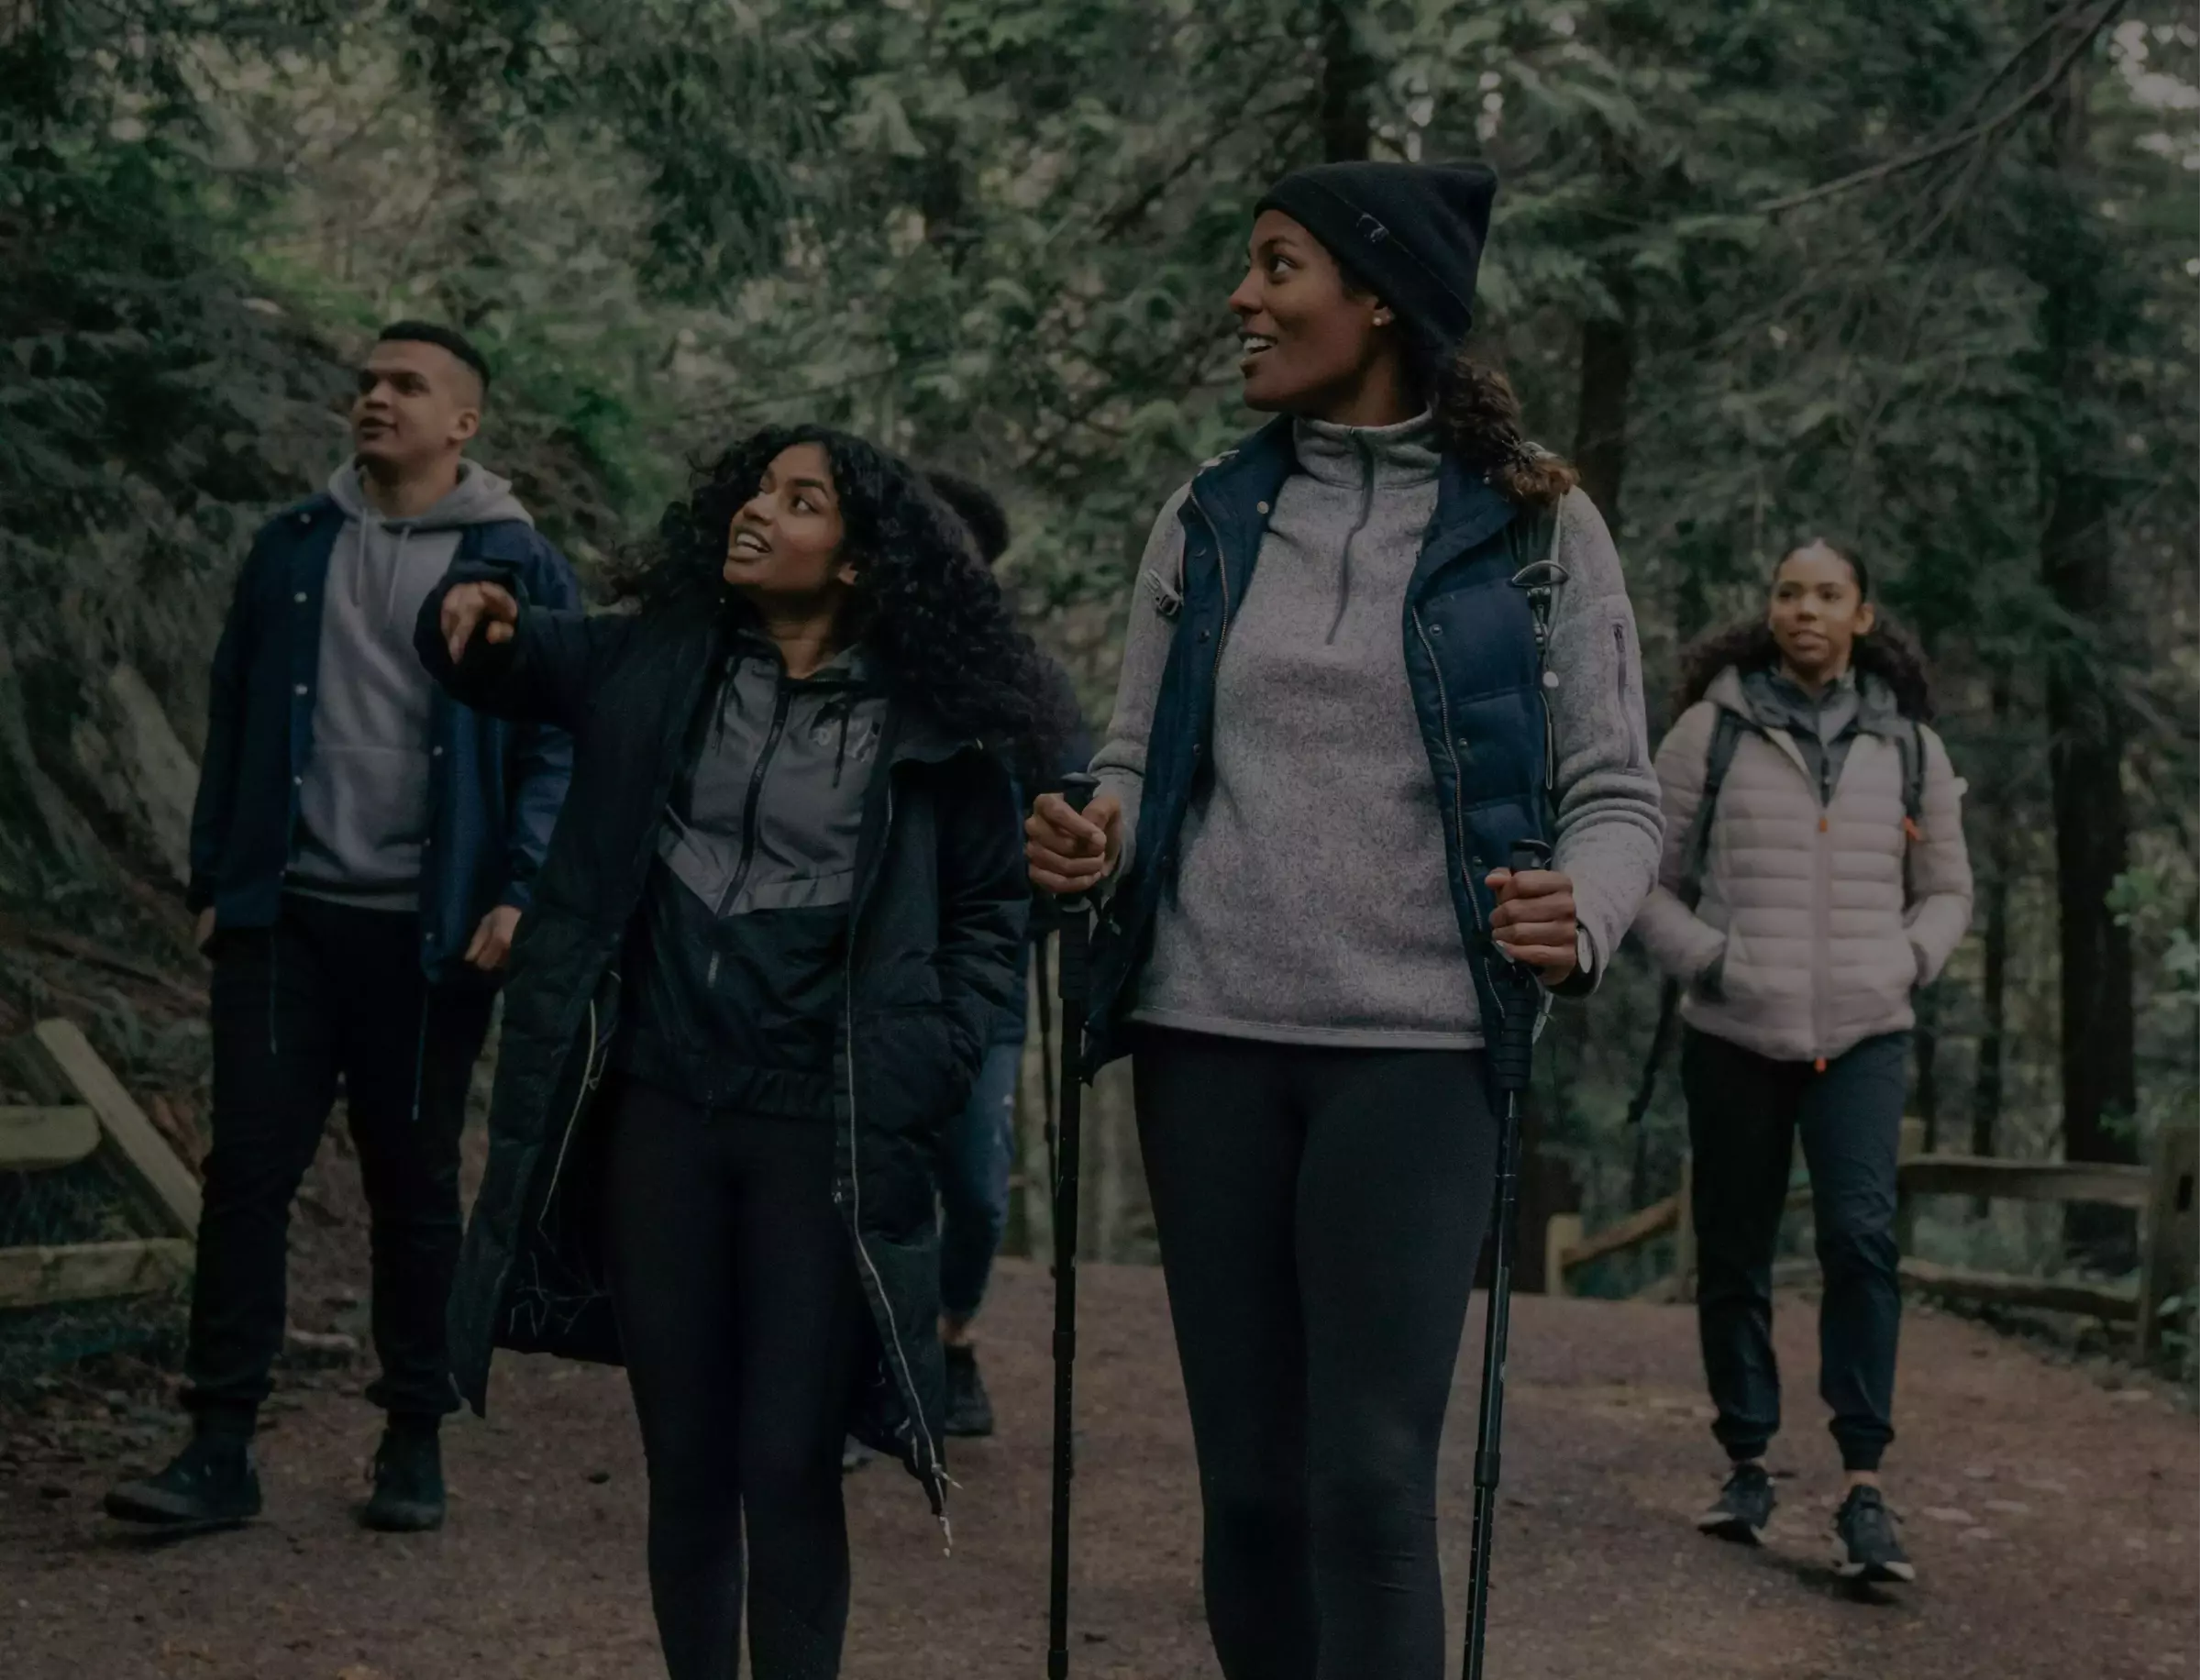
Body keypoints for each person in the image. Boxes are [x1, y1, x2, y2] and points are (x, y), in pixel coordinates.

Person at [1025, 161, 1662, 1679]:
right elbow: (1129, 752)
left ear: (1377, 297)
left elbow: (1618, 794)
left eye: (1275, 266)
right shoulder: (1210, 516)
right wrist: (1093, 829)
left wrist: (1582, 913)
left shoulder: (1533, 528)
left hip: (1415, 1051)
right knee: (1248, 1490)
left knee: (1366, 1484)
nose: (1240, 298)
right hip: (1204, 1037)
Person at [417, 426, 1056, 1680]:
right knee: (691, 1458)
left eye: (800, 500)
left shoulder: (941, 729)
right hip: (661, 1109)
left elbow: (993, 910)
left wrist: (932, 1045)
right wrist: (466, 606)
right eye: (755, 491)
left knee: (785, 1458)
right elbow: (502, 660)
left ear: (864, 564)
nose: (758, 512)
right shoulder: (656, 662)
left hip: (819, 1128)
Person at [105, 323, 577, 1537]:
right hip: (286, 921)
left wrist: (522, 886)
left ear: (462, 422)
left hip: (431, 934)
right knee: (246, 1176)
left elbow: (557, 737)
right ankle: (218, 1446)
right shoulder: (295, 544)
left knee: (411, 1185)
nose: (374, 398)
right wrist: (220, 876)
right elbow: (234, 702)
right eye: (367, 382)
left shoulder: (516, 560)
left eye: (405, 385)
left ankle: (412, 1436)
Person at [1635, 538, 1971, 1584]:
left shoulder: (1909, 746)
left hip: (1864, 1033)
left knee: (1859, 1238)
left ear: (1860, 616)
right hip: (1734, 1031)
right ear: (1767, 608)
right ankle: (1744, 1461)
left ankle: (1862, 1480)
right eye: (1786, 591)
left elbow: (1948, 890)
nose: (1804, 609)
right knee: (1731, 1244)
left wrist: (1903, 959)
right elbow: (1639, 875)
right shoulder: (1709, 732)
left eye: (1826, 594)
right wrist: (1709, 960)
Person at [922, 469, 1091, 1439]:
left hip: (984, 969)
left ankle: (951, 1334)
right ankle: (866, 1367)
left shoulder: (1022, 677)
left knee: (978, 1189)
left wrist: (1062, 875)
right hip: (858, 969)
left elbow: (1072, 785)